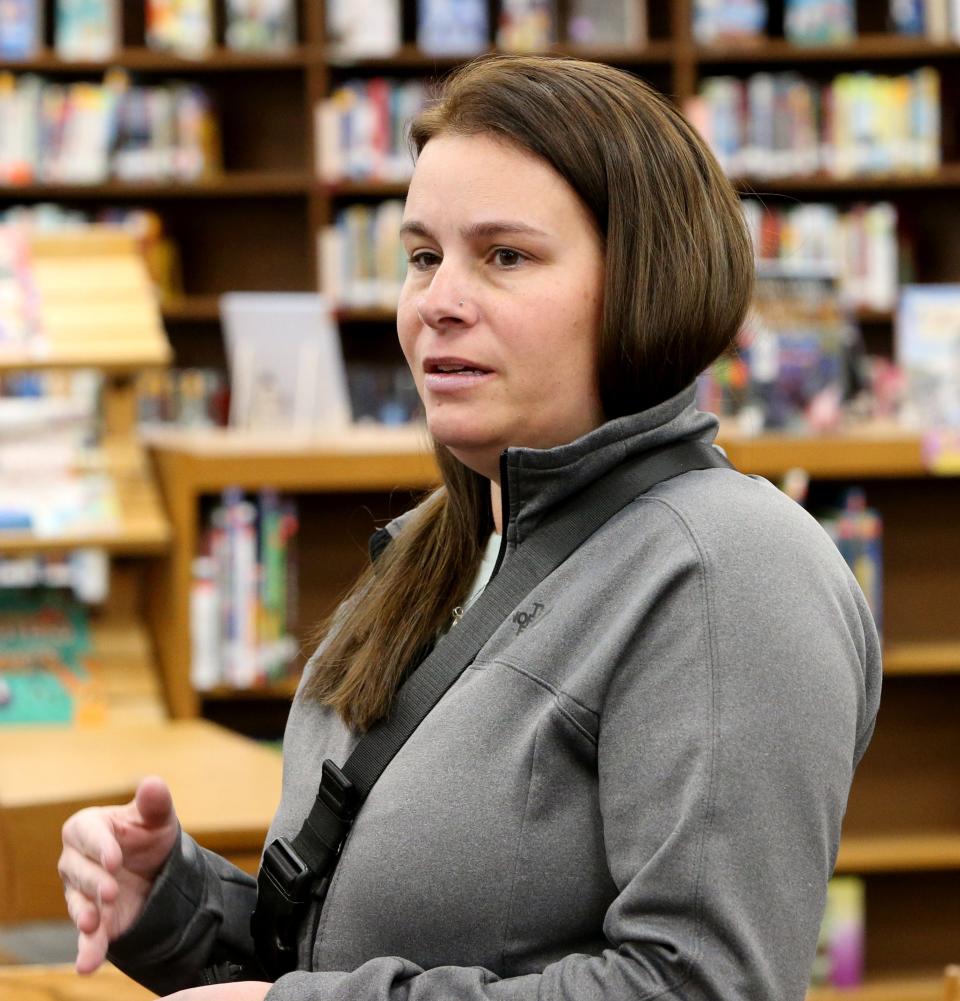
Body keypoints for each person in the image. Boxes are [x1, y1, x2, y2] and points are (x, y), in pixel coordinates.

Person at [58, 55, 882, 1001]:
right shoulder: (435, 548)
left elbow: (702, 988)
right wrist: (176, 908)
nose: (437, 301)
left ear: (642, 283)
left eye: (505, 256)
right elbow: (349, 952)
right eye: (422, 256)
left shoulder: (729, 570)